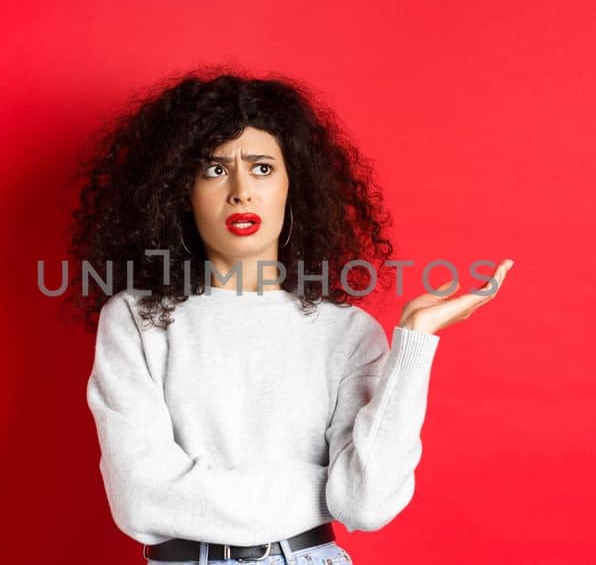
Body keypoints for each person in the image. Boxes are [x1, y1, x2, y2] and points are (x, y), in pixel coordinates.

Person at [67, 69, 513, 565]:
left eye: (261, 168)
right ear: (181, 192)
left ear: (291, 186)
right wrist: (321, 483)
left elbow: (364, 504)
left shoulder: (347, 333)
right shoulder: (135, 320)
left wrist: (413, 345)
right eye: (215, 170)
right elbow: (141, 498)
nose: (241, 191)